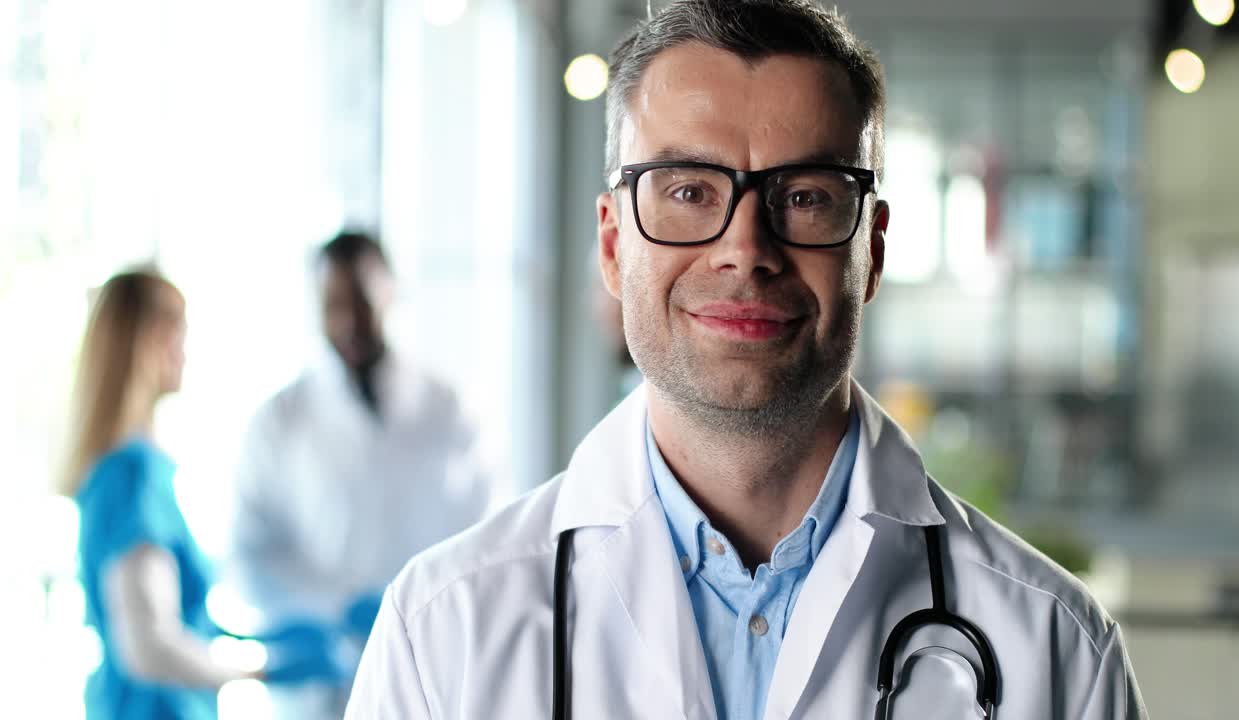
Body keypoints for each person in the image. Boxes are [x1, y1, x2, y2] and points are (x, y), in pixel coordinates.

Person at [346, 1, 1148, 718]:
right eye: (689, 190)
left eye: (804, 196)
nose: (744, 250)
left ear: (869, 247)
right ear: (613, 243)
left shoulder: (1056, 651)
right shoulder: (441, 636)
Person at [61, 268, 346, 720]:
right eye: (178, 335)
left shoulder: (134, 471)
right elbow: (148, 647)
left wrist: (249, 642)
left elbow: (166, 620)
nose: (186, 353)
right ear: (146, 343)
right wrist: (261, 671)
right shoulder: (131, 476)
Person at [228, 231, 492, 718]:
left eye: (363, 303)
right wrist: (331, 611)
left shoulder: (448, 409)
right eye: (334, 305)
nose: (349, 321)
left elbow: (488, 534)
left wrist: (419, 607)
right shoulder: (279, 420)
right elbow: (249, 553)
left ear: (390, 293)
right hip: (320, 690)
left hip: (435, 664)